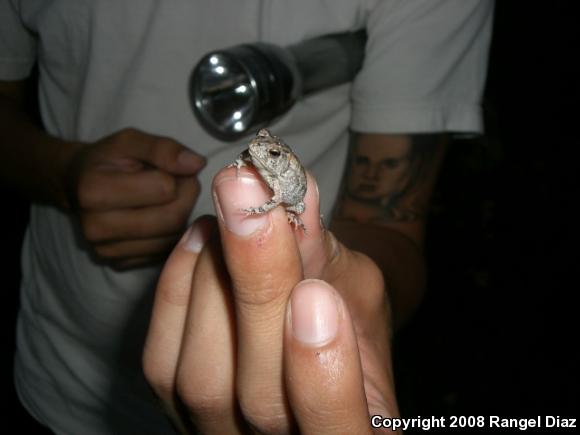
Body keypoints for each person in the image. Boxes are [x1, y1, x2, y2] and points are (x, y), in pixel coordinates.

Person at [0, 1, 494, 433]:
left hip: (286, 323)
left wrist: (343, 301)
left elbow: (391, 223)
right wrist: (59, 174)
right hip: (59, 372)